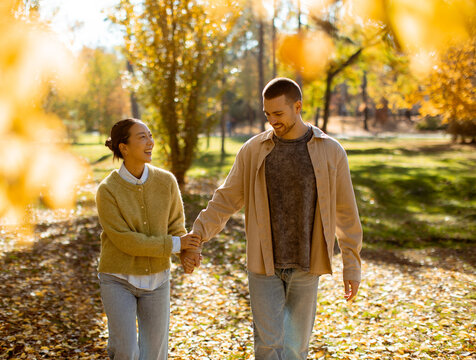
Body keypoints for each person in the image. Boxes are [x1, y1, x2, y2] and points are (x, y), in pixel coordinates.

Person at [180, 78, 363, 360]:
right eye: (267, 114)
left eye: (278, 114)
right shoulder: (253, 150)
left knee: (295, 349)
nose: (272, 121)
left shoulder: (330, 151)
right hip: (263, 265)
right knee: (267, 347)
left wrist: (351, 265)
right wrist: (196, 237)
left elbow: (346, 212)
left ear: (298, 106)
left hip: (306, 263)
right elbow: (225, 199)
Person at [96, 118, 200, 360]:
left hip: (158, 281)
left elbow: (176, 226)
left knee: (155, 353)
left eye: (150, 136)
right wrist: (176, 245)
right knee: (125, 351)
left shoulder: (166, 181)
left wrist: (187, 253)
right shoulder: (107, 190)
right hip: (118, 279)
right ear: (124, 147)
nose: (150, 142)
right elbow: (126, 241)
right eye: (142, 137)